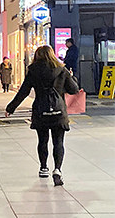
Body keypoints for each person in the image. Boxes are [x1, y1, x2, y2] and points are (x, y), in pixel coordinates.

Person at [5, 44, 79, 186]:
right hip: (58, 112)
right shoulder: (62, 69)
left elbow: (24, 91)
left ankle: (44, 167)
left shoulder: (33, 71)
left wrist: (11, 108)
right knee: (58, 142)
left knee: (42, 140)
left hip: (41, 110)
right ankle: (57, 169)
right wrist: (71, 77)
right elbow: (73, 90)